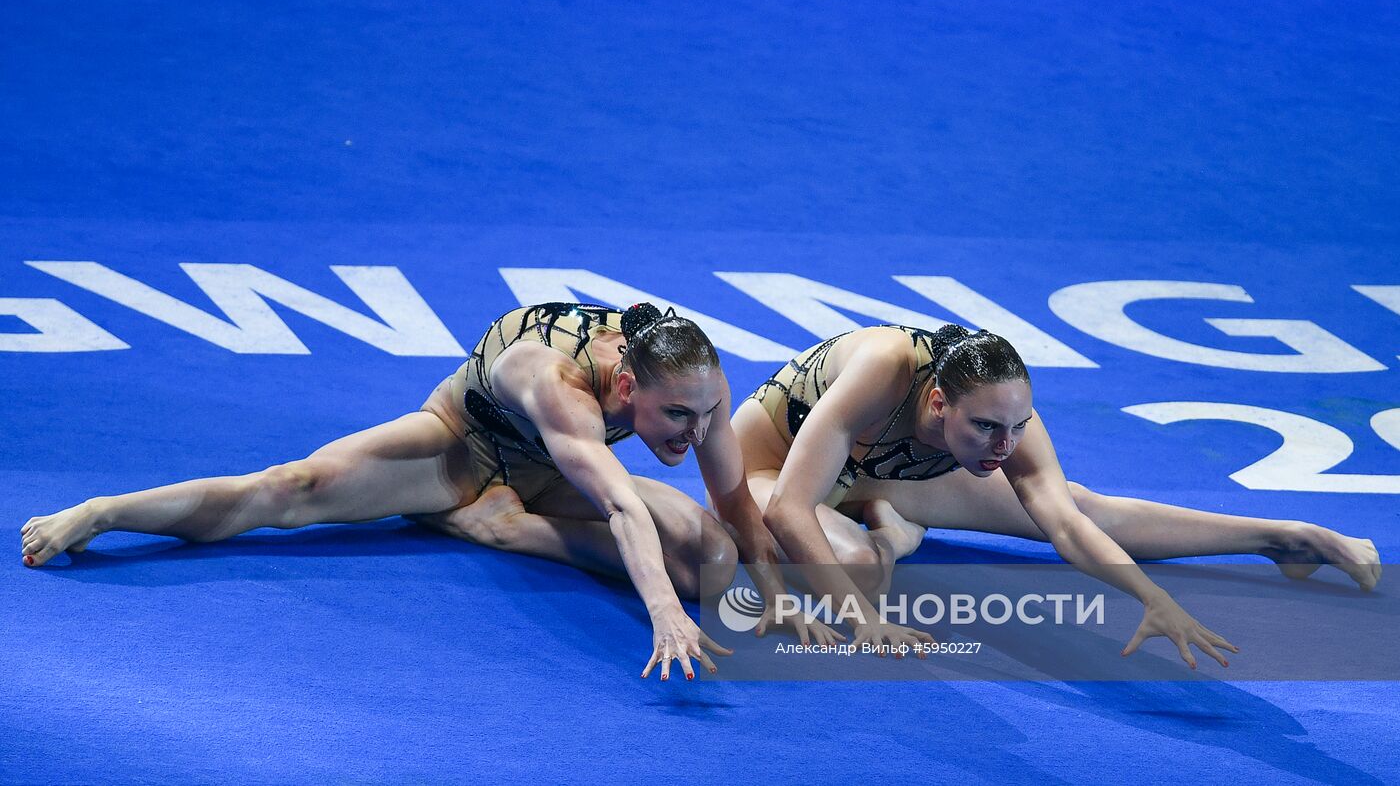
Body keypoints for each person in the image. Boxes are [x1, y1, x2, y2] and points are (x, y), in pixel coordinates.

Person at [24, 302, 873, 679]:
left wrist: (773, 594)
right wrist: (659, 612)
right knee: (288, 487)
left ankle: (499, 528)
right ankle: (105, 509)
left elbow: (732, 504)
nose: (691, 435)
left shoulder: (696, 382)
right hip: (458, 452)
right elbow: (620, 503)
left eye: (701, 416)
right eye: (674, 419)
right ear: (623, 391)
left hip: (547, 480)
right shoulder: (555, 382)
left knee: (715, 558)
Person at [729, 324, 1382, 669]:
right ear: (937, 402)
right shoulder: (882, 369)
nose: (1004, 445)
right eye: (986, 428)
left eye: (1017, 427)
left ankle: (1281, 538)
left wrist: (1151, 598)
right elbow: (789, 506)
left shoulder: (999, 414)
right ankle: (893, 532)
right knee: (860, 574)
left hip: (887, 472)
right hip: (773, 469)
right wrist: (862, 621)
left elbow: (1068, 526)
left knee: (1078, 502)